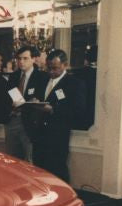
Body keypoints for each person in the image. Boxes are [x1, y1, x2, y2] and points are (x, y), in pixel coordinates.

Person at [32, 49, 85, 182]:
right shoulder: (43, 80)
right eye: (48, 68)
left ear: (65, 65)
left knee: (57, 172)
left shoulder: (74, 84)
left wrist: (53, 109)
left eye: (54, 68)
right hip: (39, 135)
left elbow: (78, 110)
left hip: (58, 136)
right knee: (39, 172)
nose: (51, 71)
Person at [3, 45, 49, 161]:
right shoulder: (13, 77)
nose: (21, 62)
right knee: (11, 160)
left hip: (30, 123)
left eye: (25, 58)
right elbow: (6, 96)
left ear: (34, 59)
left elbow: (41, 99)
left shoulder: (42, 77)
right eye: (19, 59)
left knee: (29, 161)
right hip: (12, 121)